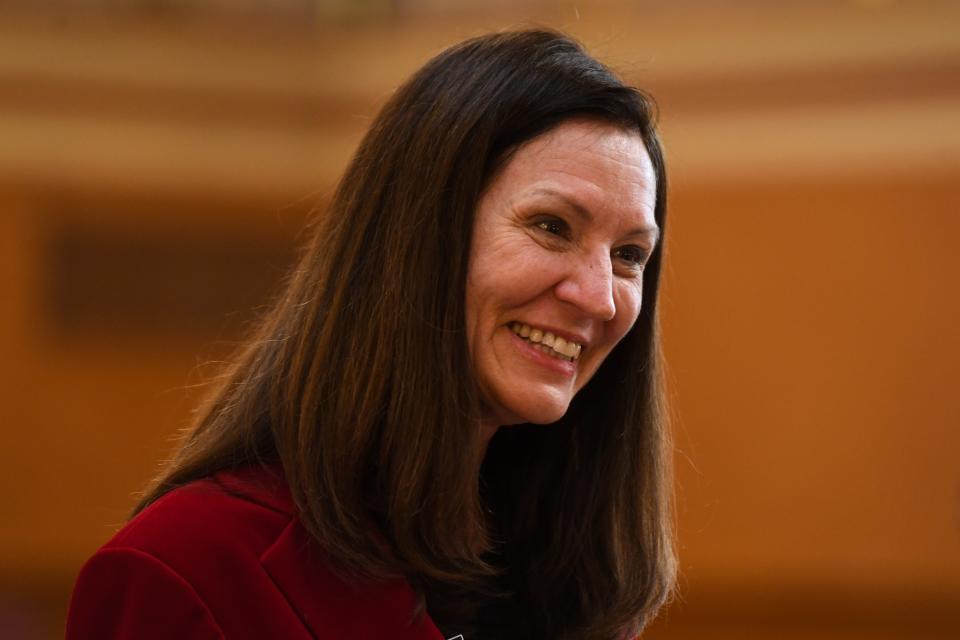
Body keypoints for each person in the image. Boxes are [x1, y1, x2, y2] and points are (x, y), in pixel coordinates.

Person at [66, 29, 675, 640]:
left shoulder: (566, 583)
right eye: (551, 225)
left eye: (629, 255)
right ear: (414, 236)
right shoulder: (186, 570)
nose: (599, 297)